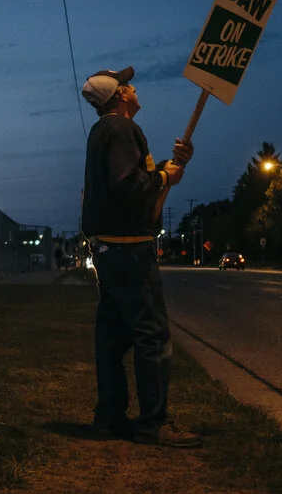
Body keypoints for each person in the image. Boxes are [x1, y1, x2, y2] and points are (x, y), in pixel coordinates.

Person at [80, 66, 201, 448]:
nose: (133, 88)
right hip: (130, 249)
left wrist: (171, 164)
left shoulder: (105, 132)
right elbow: (128, 184)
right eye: (127, 85)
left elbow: (134, 176)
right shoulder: (121, 129)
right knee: (151, 334)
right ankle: (153, 422)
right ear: (118, 97)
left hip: (109, 249)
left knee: (113, 337)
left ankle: (109, 415)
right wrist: (165, 178)